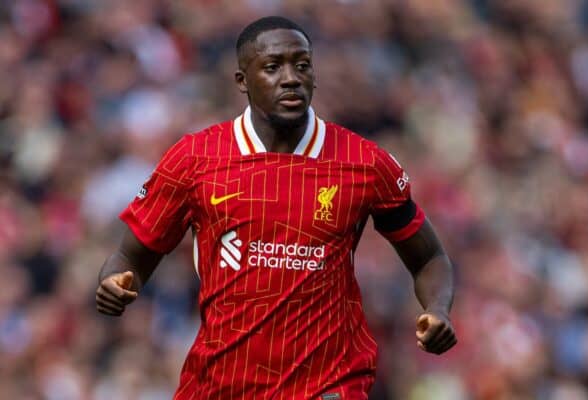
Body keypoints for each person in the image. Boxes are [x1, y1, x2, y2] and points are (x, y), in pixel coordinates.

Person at [95, 16, 457, 399]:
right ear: (242, 81)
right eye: (272, 67)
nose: (290, 78)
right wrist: (115, 283)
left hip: (328, 387)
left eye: (302, 65)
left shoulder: (363, 162)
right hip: (221, 385)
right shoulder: (195, 159)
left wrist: (438, 308)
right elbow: (129, 257)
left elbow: (430, 257)